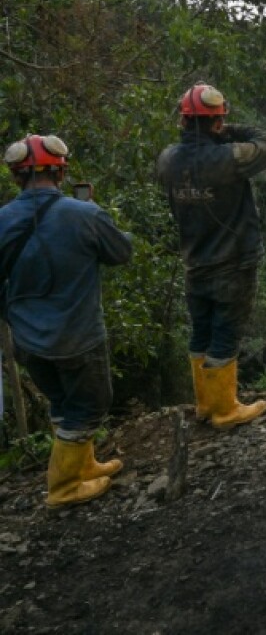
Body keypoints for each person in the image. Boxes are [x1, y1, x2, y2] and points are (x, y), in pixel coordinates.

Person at [0, 134, 132, 507]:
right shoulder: (84, 214)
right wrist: (100, 216)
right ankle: (63, 487)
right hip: (78, 338)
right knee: (91, 405)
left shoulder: (2, 220)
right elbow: (121, 253)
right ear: (61, 173)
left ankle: (84, 466)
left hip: (28, 343)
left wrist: (15, 315)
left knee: (61, 402)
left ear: (16, 177)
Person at [156, 83, 266, 429]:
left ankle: (205, 405)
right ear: (216, 123)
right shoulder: (229, 159)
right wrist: (231, 130)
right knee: (225, 332)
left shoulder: (167, 160)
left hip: (194, 262)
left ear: (182, 122)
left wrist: (214, 129)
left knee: (201, 331)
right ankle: (225, 410)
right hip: (233, 263)